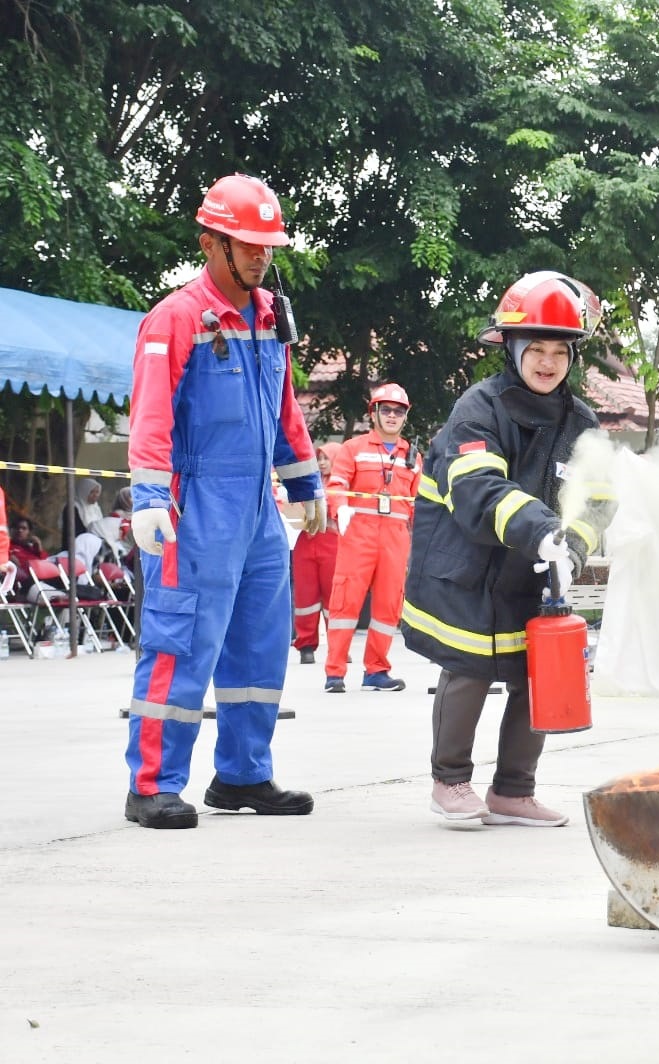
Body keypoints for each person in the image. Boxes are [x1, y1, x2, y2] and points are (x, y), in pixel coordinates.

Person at [122, 173, 327, 830]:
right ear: (211, 242)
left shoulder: (270, 317)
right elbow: (151, 413)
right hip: (196, 505)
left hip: (259, 512)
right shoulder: (176, 318)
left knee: (259, 646)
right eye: (248, 243)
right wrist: (150, 493)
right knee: (180, 643)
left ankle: (243, 774)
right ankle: (152, 785)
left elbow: (283, 408)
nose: (261, 255)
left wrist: (305, 480)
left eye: (267, 244)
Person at [401, 270, 611, 826]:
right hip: (465, 562)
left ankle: (514, 791)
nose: (548, 362)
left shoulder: (582, 422)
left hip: (532, 569)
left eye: (560, 352)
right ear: (511, 348)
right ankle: (449, 782)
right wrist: (542, 527)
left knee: (537, 671)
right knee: (468, 664)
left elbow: (600, 500)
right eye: (536, 349)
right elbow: (476, 487)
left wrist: (573, 547)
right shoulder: (479, 407)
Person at [323, 386, 418, 692]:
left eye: (398, 411)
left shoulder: (412, 457)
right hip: (358, 534)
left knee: (389, 605)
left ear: (405, 416)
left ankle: (376, 670)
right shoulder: (353, 448)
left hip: (396, 538)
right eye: (386, 410)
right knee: (345, 601)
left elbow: (419, 502)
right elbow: (336, 484)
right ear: (373, 413)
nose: (392, 416)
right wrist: (339, 510)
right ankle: (335, 672)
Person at [292, 443, 344, 664]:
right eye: (319, 458)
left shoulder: (343, 484)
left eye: (326, 458)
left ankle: (338, 647)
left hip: (332, 542)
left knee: (334, 597)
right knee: (305, 597)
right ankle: (305, 645)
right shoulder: (307, 482)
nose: (322, 462)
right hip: (306, 540)